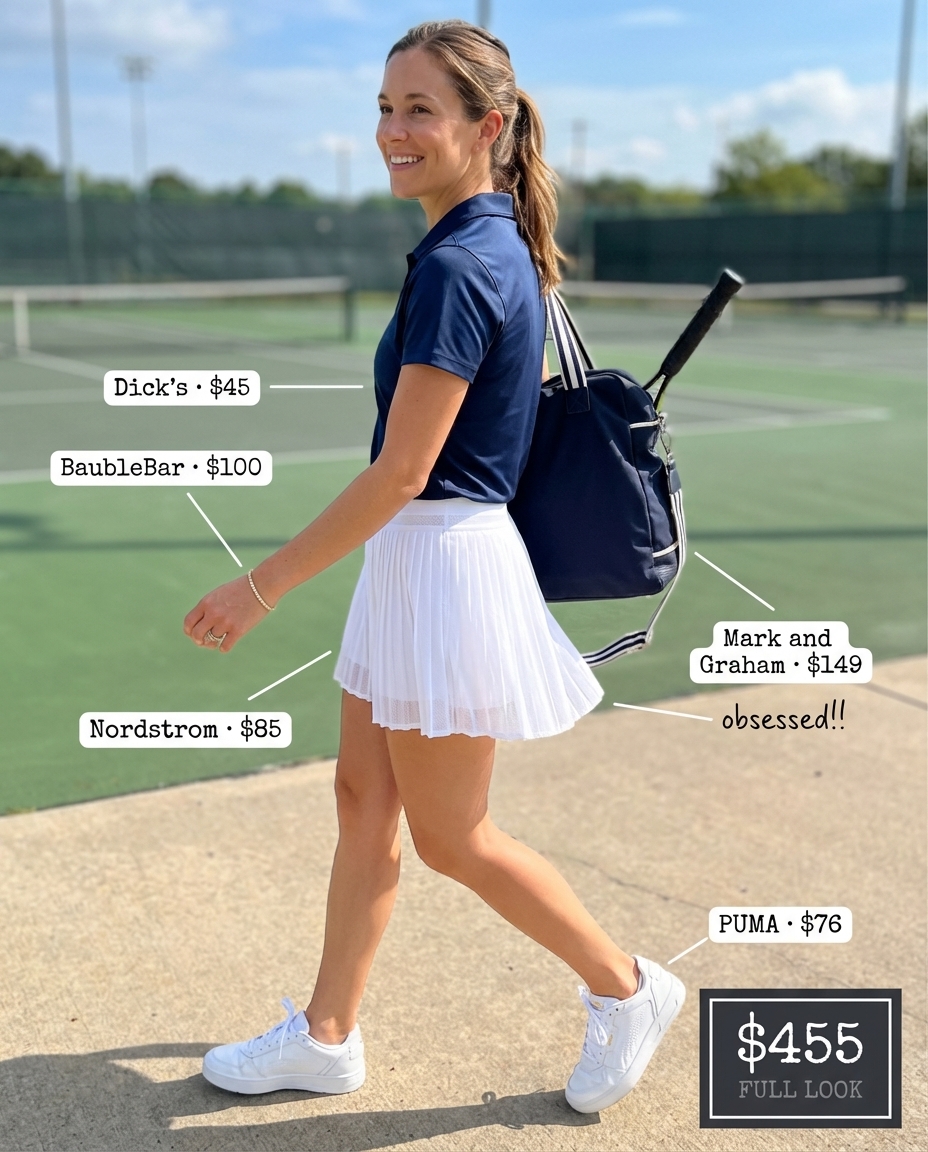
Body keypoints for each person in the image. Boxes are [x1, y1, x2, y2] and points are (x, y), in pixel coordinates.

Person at [183, 19, 684, 1115]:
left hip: (443, 561)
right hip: (418, 561)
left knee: (455, 837)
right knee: (364, 798)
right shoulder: (479, 246)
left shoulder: (462, 263)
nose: (393, 131)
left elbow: (403, 472)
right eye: (384, 107)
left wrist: (257, 587)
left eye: (420, 109)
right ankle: (327, 1037)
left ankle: (628, 986)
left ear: (486, 127)